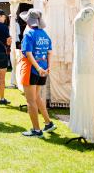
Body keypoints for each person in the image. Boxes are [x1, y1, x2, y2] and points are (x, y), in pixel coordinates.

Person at [20, 8, 56, 137]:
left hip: (32, 70)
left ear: (29, 21)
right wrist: (48, 67)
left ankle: (36, 129)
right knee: (37, 97)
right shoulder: (45, 34)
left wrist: (38, 68)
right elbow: (49, 52)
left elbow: (28, 53)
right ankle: (48, 123)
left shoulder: (29, 34)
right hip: (43, 69)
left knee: (31, 101)